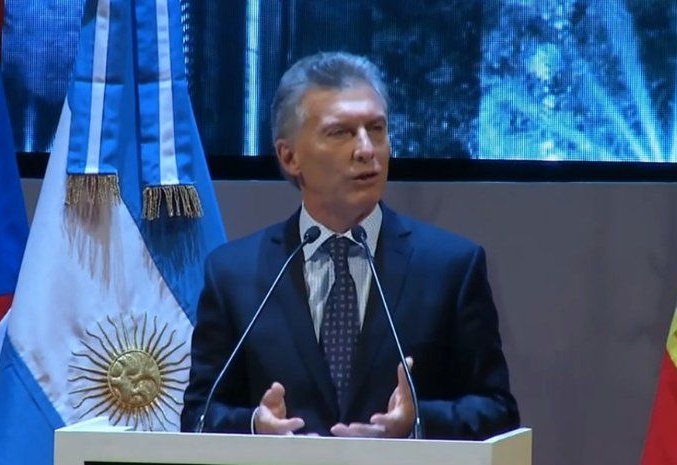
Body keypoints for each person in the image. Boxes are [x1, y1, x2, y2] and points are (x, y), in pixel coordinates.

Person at [180, 52, 519, 439]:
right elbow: (198, 416)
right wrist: (256, 425)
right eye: (340, 133)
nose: (366, 150)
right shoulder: (233, 273)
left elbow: (498, 411)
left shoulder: (450, 267)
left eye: (376, 129)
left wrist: (416, 422)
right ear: (289, 157)